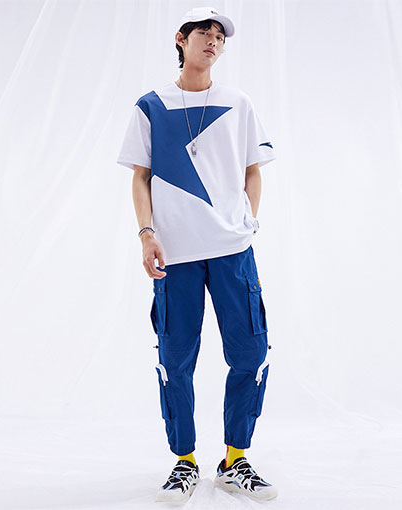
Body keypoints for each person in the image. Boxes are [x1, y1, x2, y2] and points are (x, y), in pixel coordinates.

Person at [116, 6, 279, 503]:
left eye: (220, 37)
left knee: (250, 353)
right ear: (180, 39)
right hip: (176, 253)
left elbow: (253, 169)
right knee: (176, 358)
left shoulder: (238, 102)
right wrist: (147, 234)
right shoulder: (151, 106)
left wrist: (247, 221)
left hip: (233, 250)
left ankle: (235, 460)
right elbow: (140, 176)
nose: (213, 41)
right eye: (204, 33)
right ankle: (184, 462)